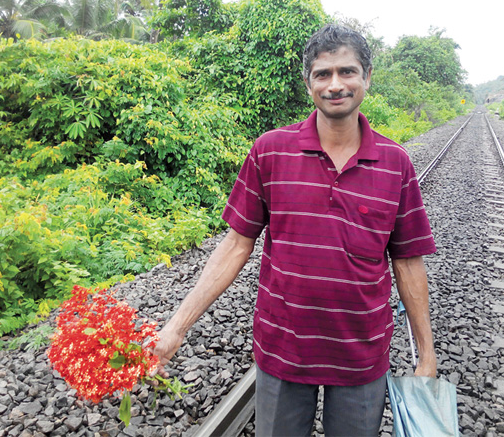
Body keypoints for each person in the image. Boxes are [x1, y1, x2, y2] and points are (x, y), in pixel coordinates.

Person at [153, 23, 437, 436]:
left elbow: (408, 261)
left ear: (367, 78)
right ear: (308, 84)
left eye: (347, 71)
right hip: (283, 349)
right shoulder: (270, 151)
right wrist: (176, 326)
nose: (335, 84)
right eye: (323, 74)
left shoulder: (396, 163)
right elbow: (235, 245)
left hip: (361, 353)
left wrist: (426, 355)